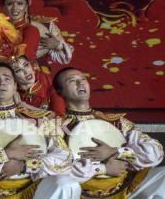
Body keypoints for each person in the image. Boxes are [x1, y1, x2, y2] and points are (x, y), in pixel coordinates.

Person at [0, 62, 78, 198]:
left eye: (7, 78)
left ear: (15, 87)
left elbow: (64, 158)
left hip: (32, 189)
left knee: (66, 183)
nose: (2, 82)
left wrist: (24, 166)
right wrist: (4, 155)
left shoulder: (39, 120)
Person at [53, 67, 165, 198]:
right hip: (82, 193)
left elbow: (156, 151)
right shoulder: (55, 127)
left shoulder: (117, 122)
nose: (80, 83)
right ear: (60, 92)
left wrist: (116, 151)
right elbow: (57, 168)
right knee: (62, 183)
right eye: (72, 81)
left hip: (126, 187)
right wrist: (104, 169)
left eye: (83, 79)